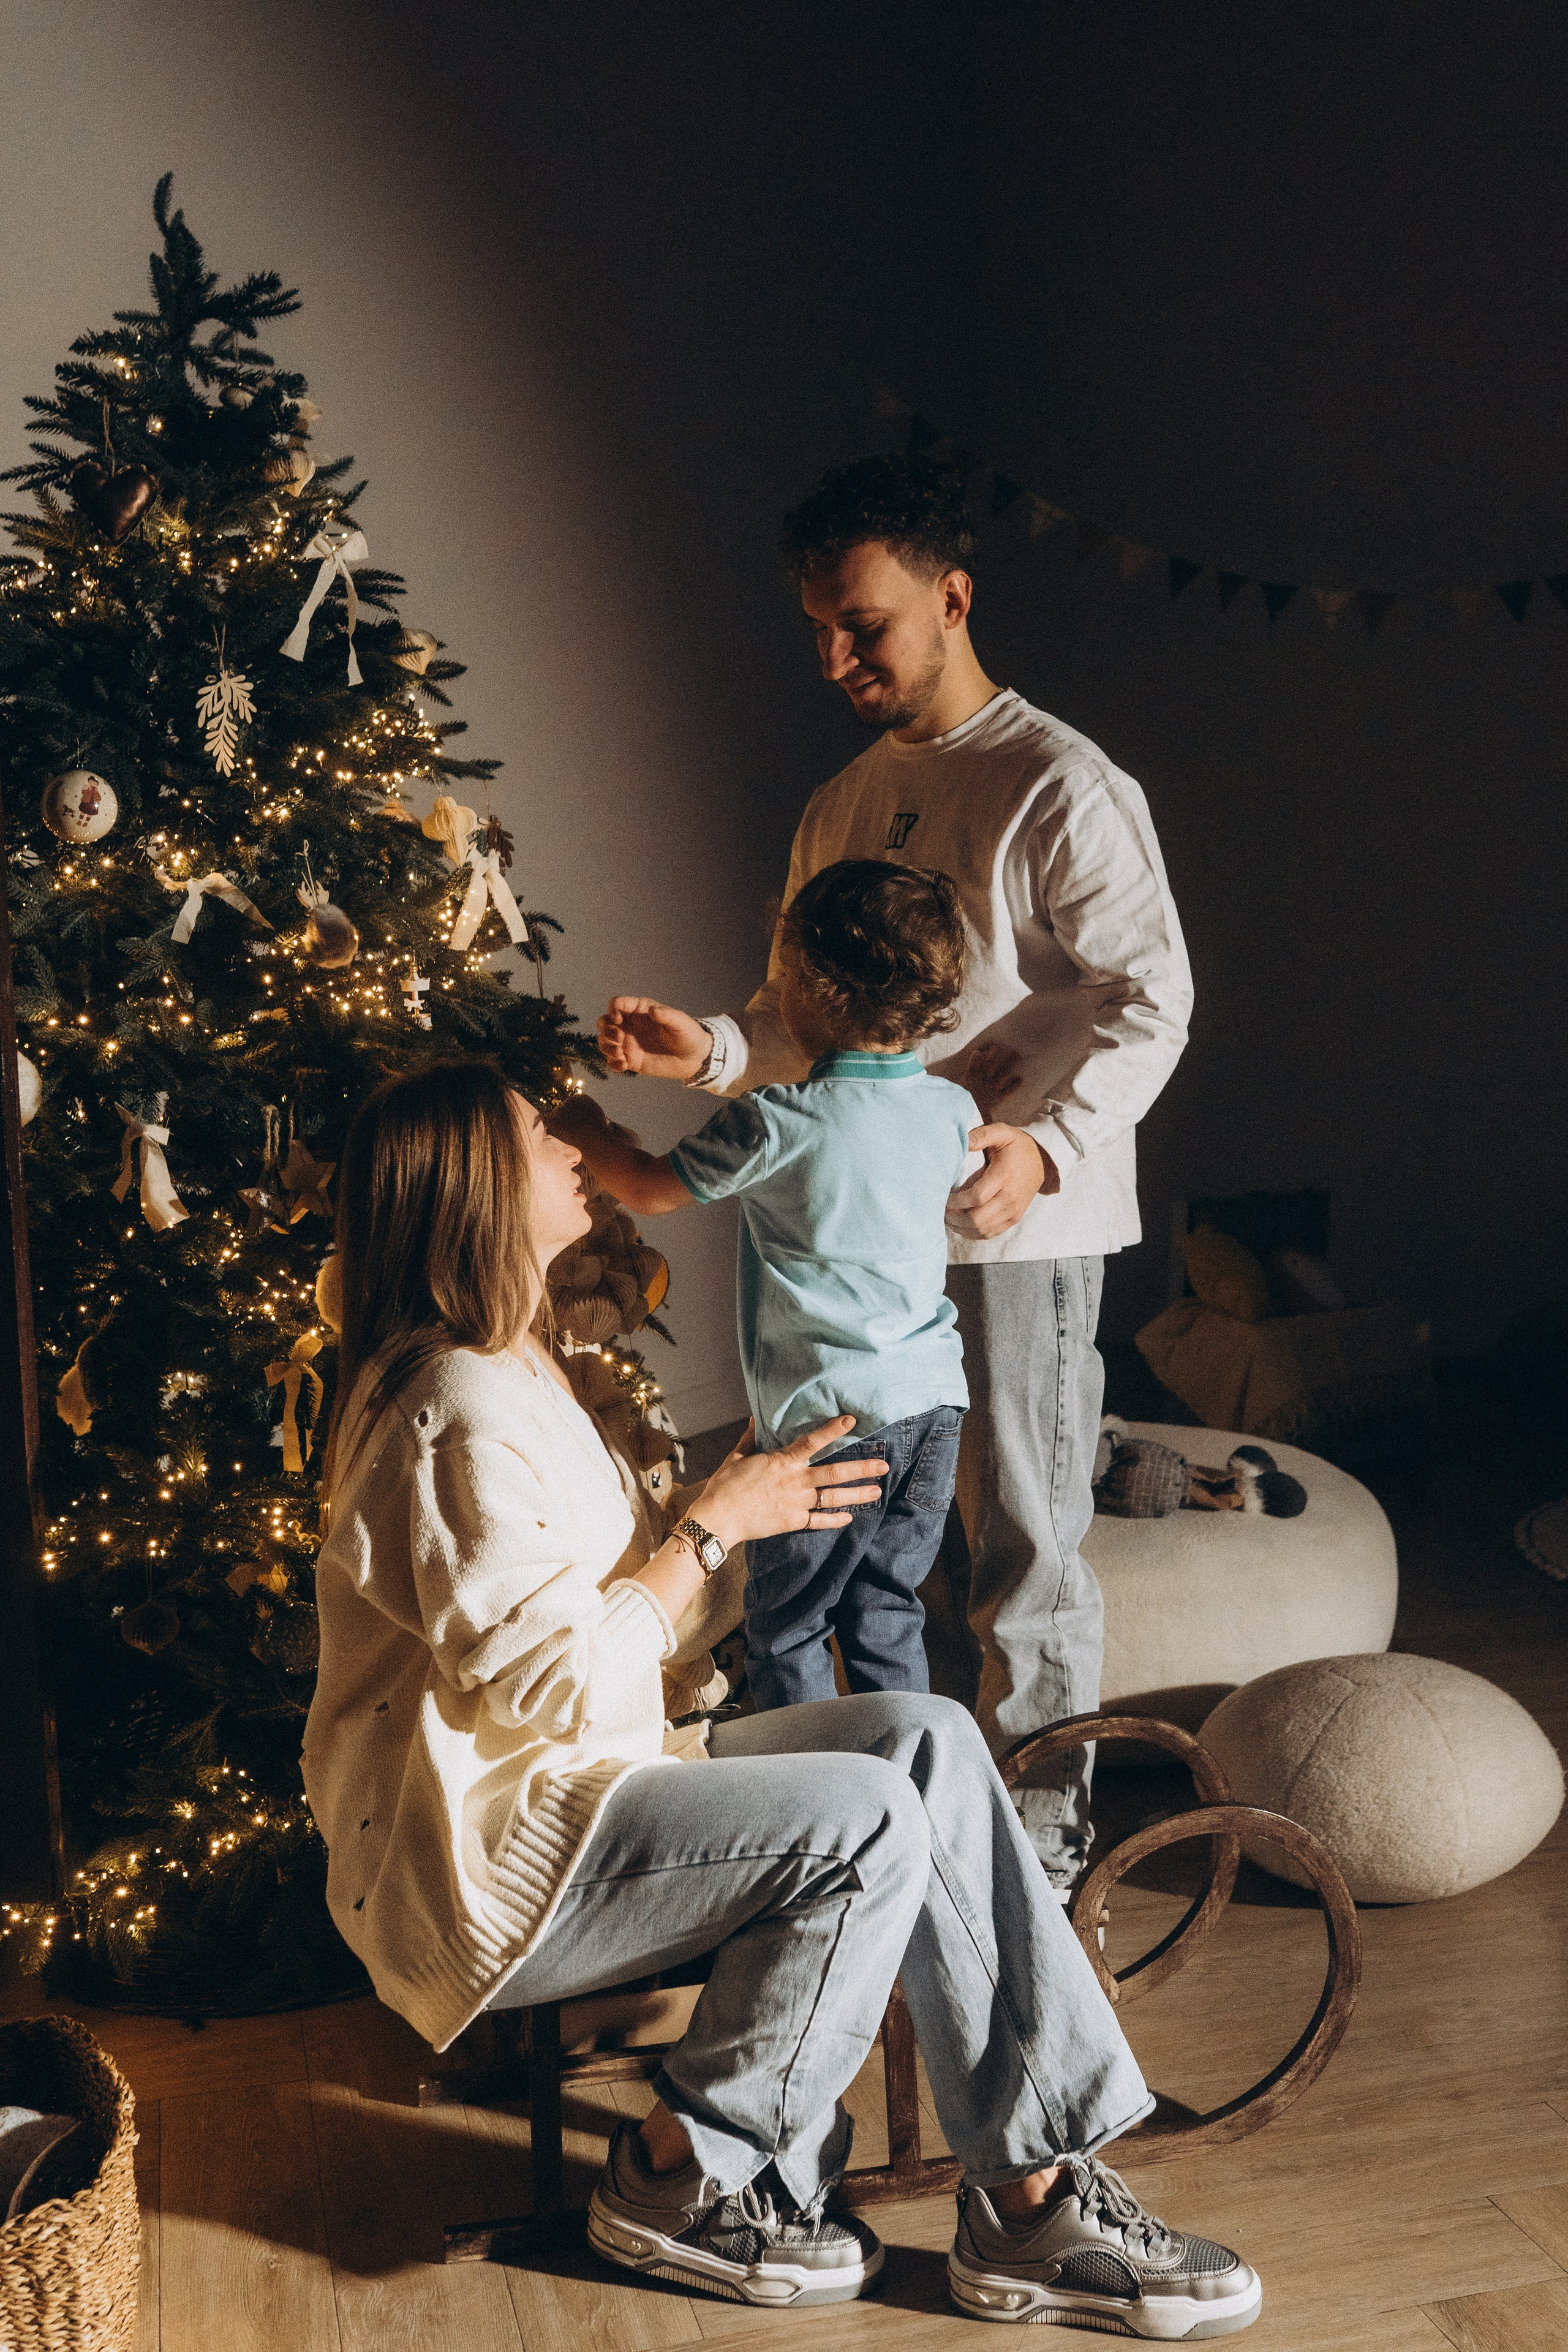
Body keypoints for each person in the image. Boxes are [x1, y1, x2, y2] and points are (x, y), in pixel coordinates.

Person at [302, 1059, 1259, 2334]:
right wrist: (702, 1534)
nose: (573, 1145)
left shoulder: (512, 1366)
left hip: (603, 1777)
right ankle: (672, 2181)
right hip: (495, 1859)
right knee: (864, 1820)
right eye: (540, 1137)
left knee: (922, 1737)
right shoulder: (451, 1409)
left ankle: (1028, 2196)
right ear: (477, 1188)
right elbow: (540, 1685)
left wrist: (762, 1524)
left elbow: (618, 1632)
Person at [595, 453, 1193, 1896]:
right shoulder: (837, 803)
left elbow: (1151, 995)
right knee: (867, 1564)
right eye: (816, 629)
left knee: (1023, 1542)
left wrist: (1043, 1146)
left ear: (951, 596)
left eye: (860, 623)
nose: (835, 656)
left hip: (1012, 1235)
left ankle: (1040, 1868)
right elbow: (808, 1019)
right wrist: (712, 1051)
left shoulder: (1058, 783)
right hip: (866, 1267)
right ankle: (871, 1837)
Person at [557, 856, 982, 1713]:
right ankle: (907, 1790)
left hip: (834, 1424)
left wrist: (584, 1128)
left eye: (781, 972)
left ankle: (810, 1807)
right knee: (886, 1612)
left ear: (814, 991)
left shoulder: (779, 1120)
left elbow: (645, 1187)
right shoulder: (952, 1112)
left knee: (789, 1622)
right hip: (935, 1409)